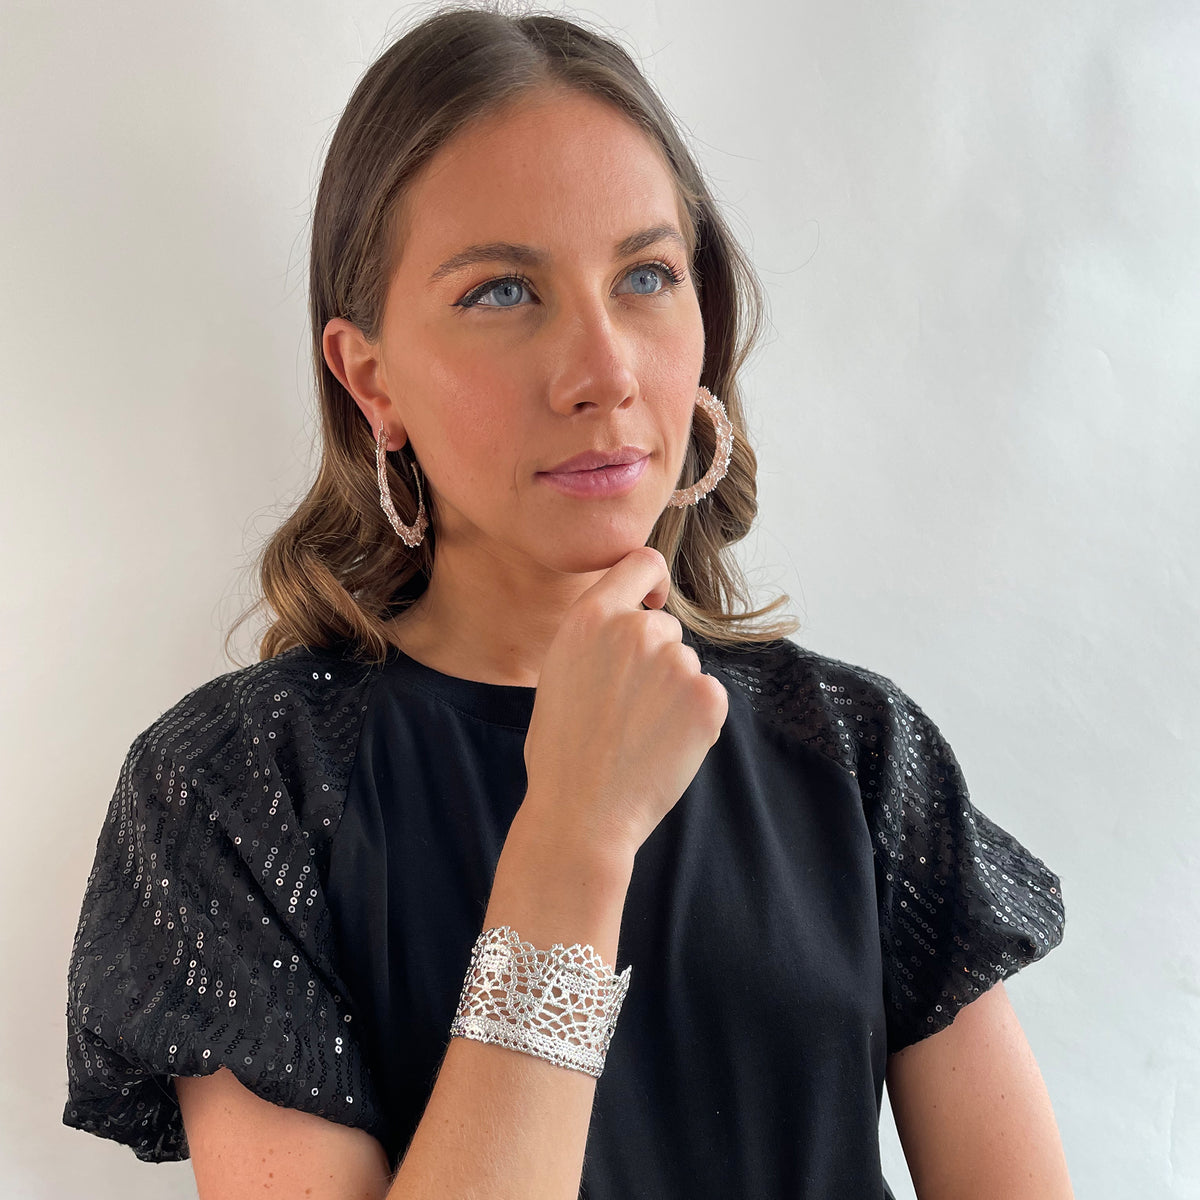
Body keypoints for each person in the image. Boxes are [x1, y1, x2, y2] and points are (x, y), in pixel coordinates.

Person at [61, 6, 1074, 1198]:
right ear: (371, 379)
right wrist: (574, 841)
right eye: (503, 292)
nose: (605, 372)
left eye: (646, 276)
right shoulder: (237, 791)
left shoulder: (859, 756)